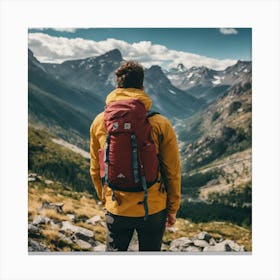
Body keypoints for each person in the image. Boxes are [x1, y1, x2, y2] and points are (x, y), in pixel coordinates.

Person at [90, 61, 181, 251]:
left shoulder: (99, 122)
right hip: (153, 208)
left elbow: (96, 169)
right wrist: (172, 209)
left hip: (116, 205)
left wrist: (105, 199)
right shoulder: (160, 123)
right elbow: (172, 171)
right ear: (142, 87)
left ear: (117, 87)